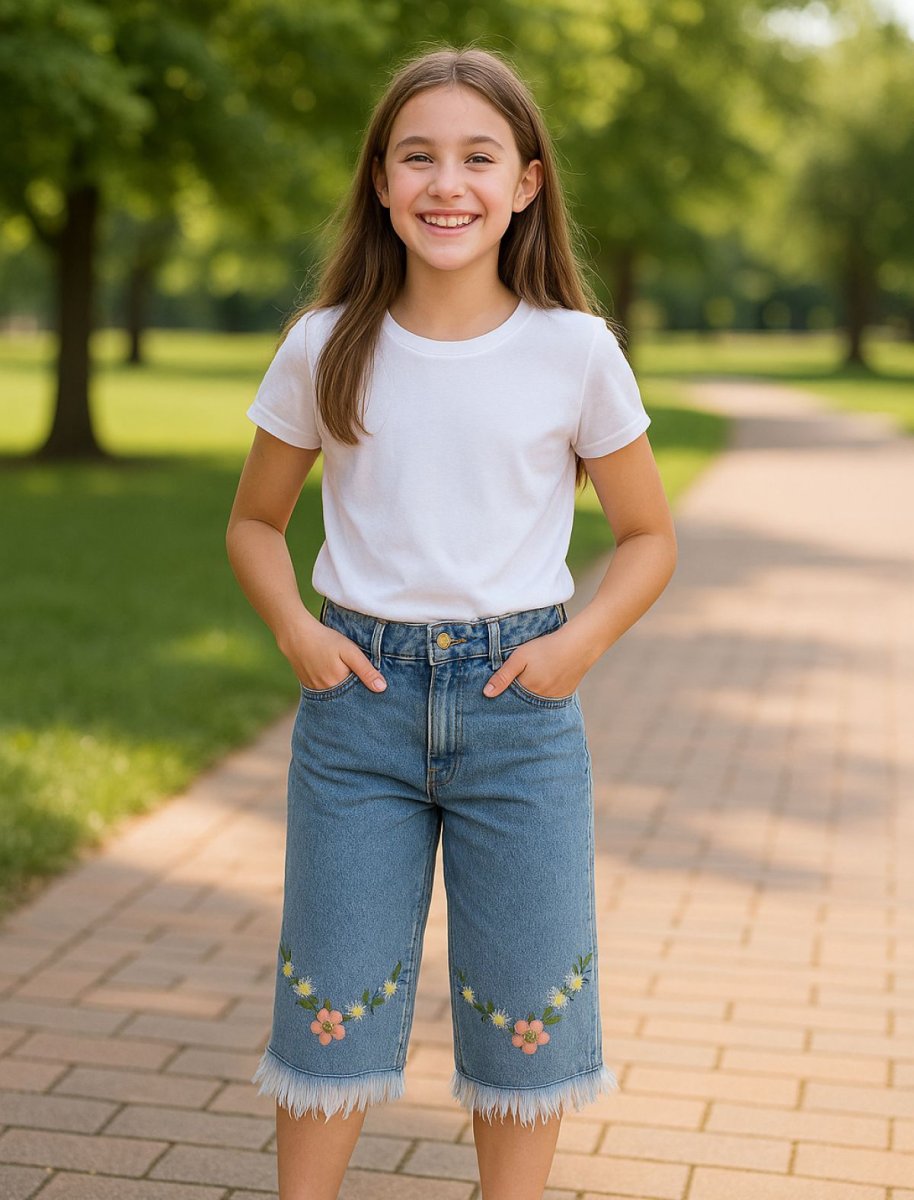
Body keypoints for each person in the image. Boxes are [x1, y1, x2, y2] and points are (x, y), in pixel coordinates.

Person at [226, 43, 677, 1200]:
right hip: (356, 713)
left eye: (477, 157)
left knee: (528, 1008)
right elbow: (253, 524)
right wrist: (298, 635)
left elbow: (646, 538)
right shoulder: (325, 345)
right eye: (416, 156)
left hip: (515, 714)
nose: (446, 183)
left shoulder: (572, 351)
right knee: (328, 1003)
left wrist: (571, 650)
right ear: (379, 180)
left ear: (524, 182)